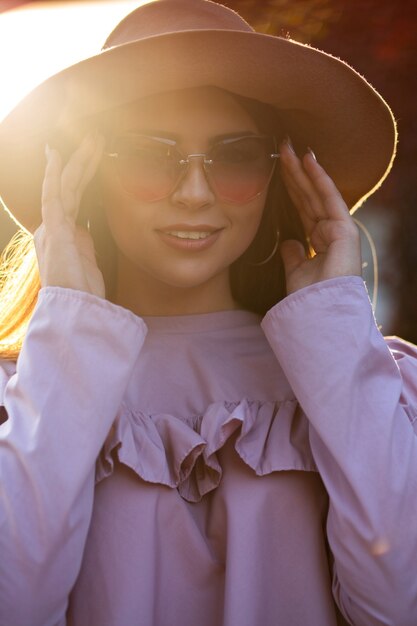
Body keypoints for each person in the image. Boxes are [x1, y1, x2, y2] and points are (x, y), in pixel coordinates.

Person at [0, 1, 417, 625]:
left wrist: (334, 328)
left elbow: (398, 606)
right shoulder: (19, 396)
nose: (194, 194)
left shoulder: (385, 386)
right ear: (87, 176)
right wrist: (72, 335)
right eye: (148, 153)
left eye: (235, 155)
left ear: (280, 177)